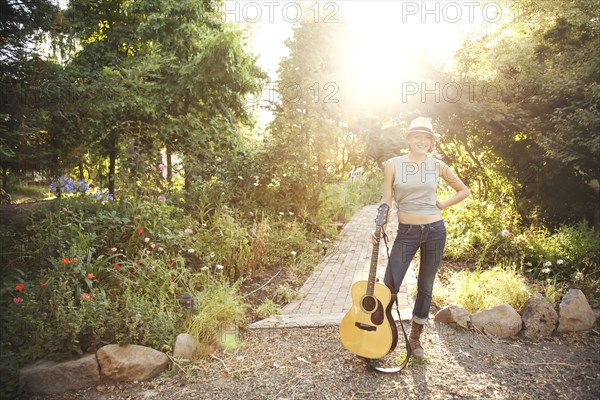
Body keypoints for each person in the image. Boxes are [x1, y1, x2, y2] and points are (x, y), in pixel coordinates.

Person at [372, 116, 470, 360]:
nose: (422, 141)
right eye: (418, 136)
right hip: (407, 233)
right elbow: (387, 199)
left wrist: (443, 204)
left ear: (432, 141)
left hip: (435, 232)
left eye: (427, 137)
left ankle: (415, 338)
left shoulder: (438, 165)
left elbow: (464, 190)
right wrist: (379, 225)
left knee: (425, 287)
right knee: (389, 285)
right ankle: (380, 333)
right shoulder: (393, 164)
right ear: (409, 138)